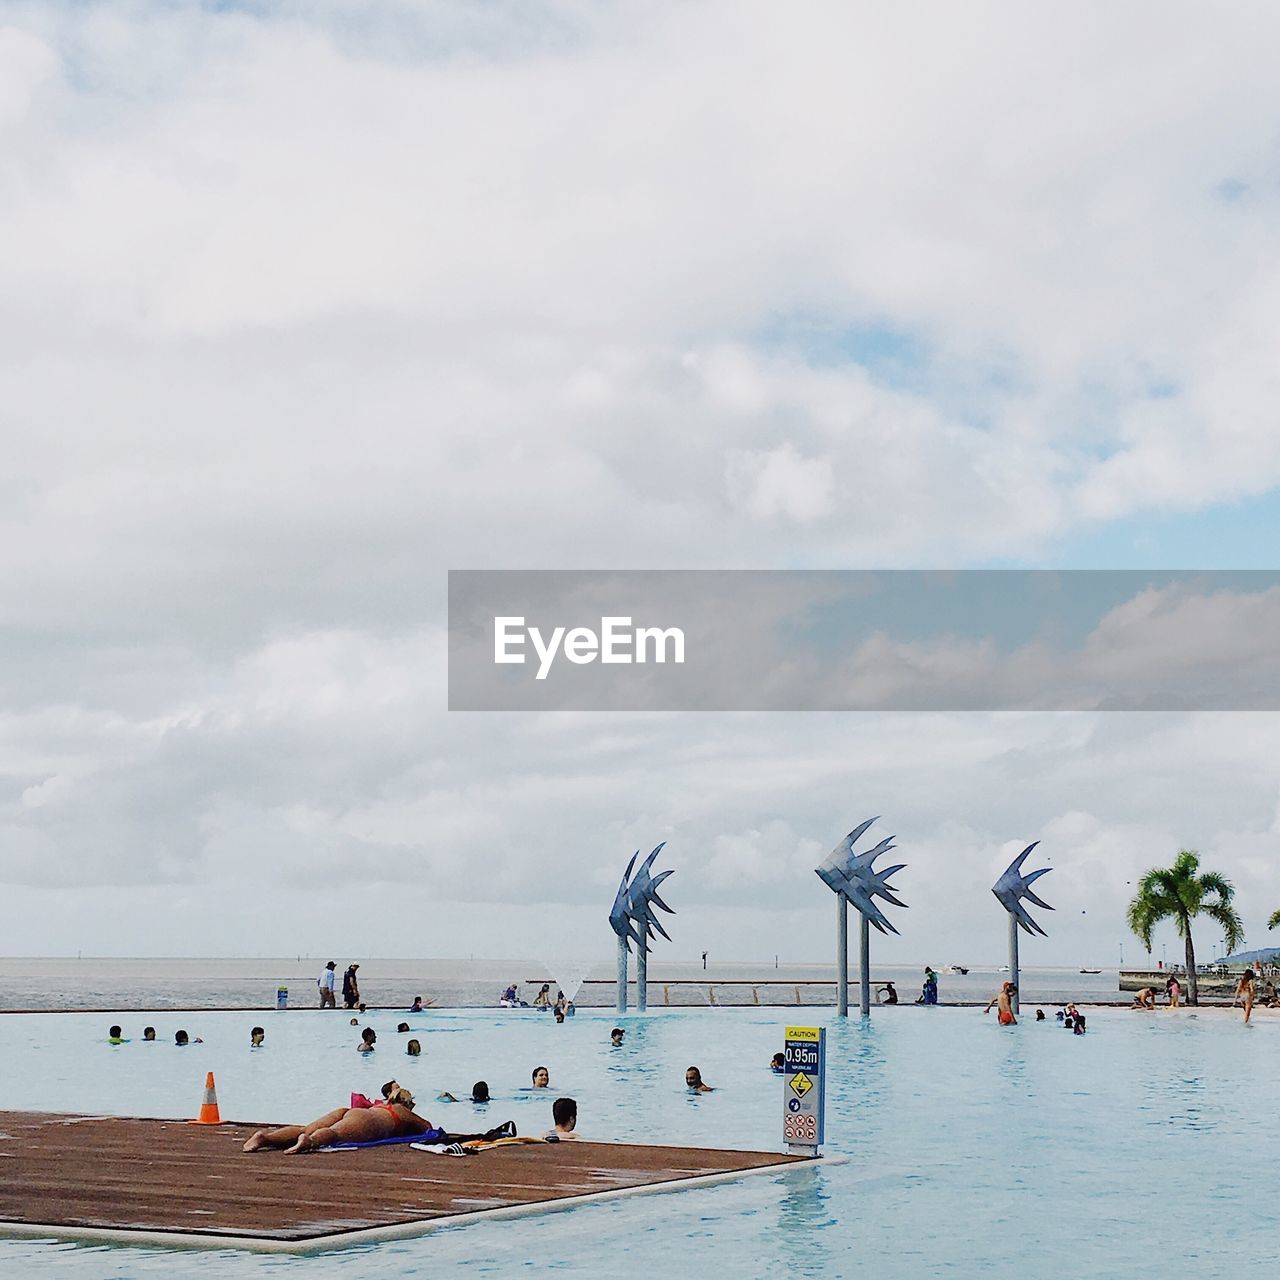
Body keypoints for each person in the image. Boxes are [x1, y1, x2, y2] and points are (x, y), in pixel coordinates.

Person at [242, 1082, 433, 1153]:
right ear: (407, 1103)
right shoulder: (402, 1111)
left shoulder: (382, 1105)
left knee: (305, 1128)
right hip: (369, 1122)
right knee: (334, 1134)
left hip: (351, 1112)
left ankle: (264, 1137)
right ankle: (309, 1142)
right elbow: (428, 1128)